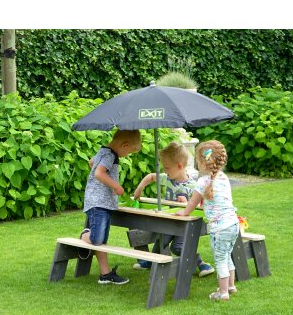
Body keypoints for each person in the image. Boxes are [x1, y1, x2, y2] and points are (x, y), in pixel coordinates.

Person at [131, 141, 215, 276]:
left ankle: (202, 264)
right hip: (170, 221)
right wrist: (139, 189)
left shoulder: (193, 186)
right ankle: (151, 260)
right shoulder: (167, 179)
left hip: (186, 225)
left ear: (179, 166)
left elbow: (199, 206)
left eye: (167, 168)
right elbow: (151, 177)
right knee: (161, 238)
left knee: (177, 247)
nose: (164, 171)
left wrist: (186, 202)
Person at [175, 140, 239, 301]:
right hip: (233, 224)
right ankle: (230, 286)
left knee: (220, 259)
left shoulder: (203, 182)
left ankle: (223, 293)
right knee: (227, 255)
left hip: (220, 229)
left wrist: (184, 212)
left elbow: (193, 202)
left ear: (203, 163)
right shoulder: (224, 178)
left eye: (197, 160)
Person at [80, 129, 142, 285]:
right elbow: (99, 173)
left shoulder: (103, 151)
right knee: (97, 238)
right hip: (98, 202)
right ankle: (85, 235)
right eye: (128, 152)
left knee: (101, 240)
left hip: (101, 202)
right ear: (125, 145)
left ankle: (105, 274)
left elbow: (92, 163)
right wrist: (116, 187)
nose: (126, 155)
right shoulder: (110, 155)